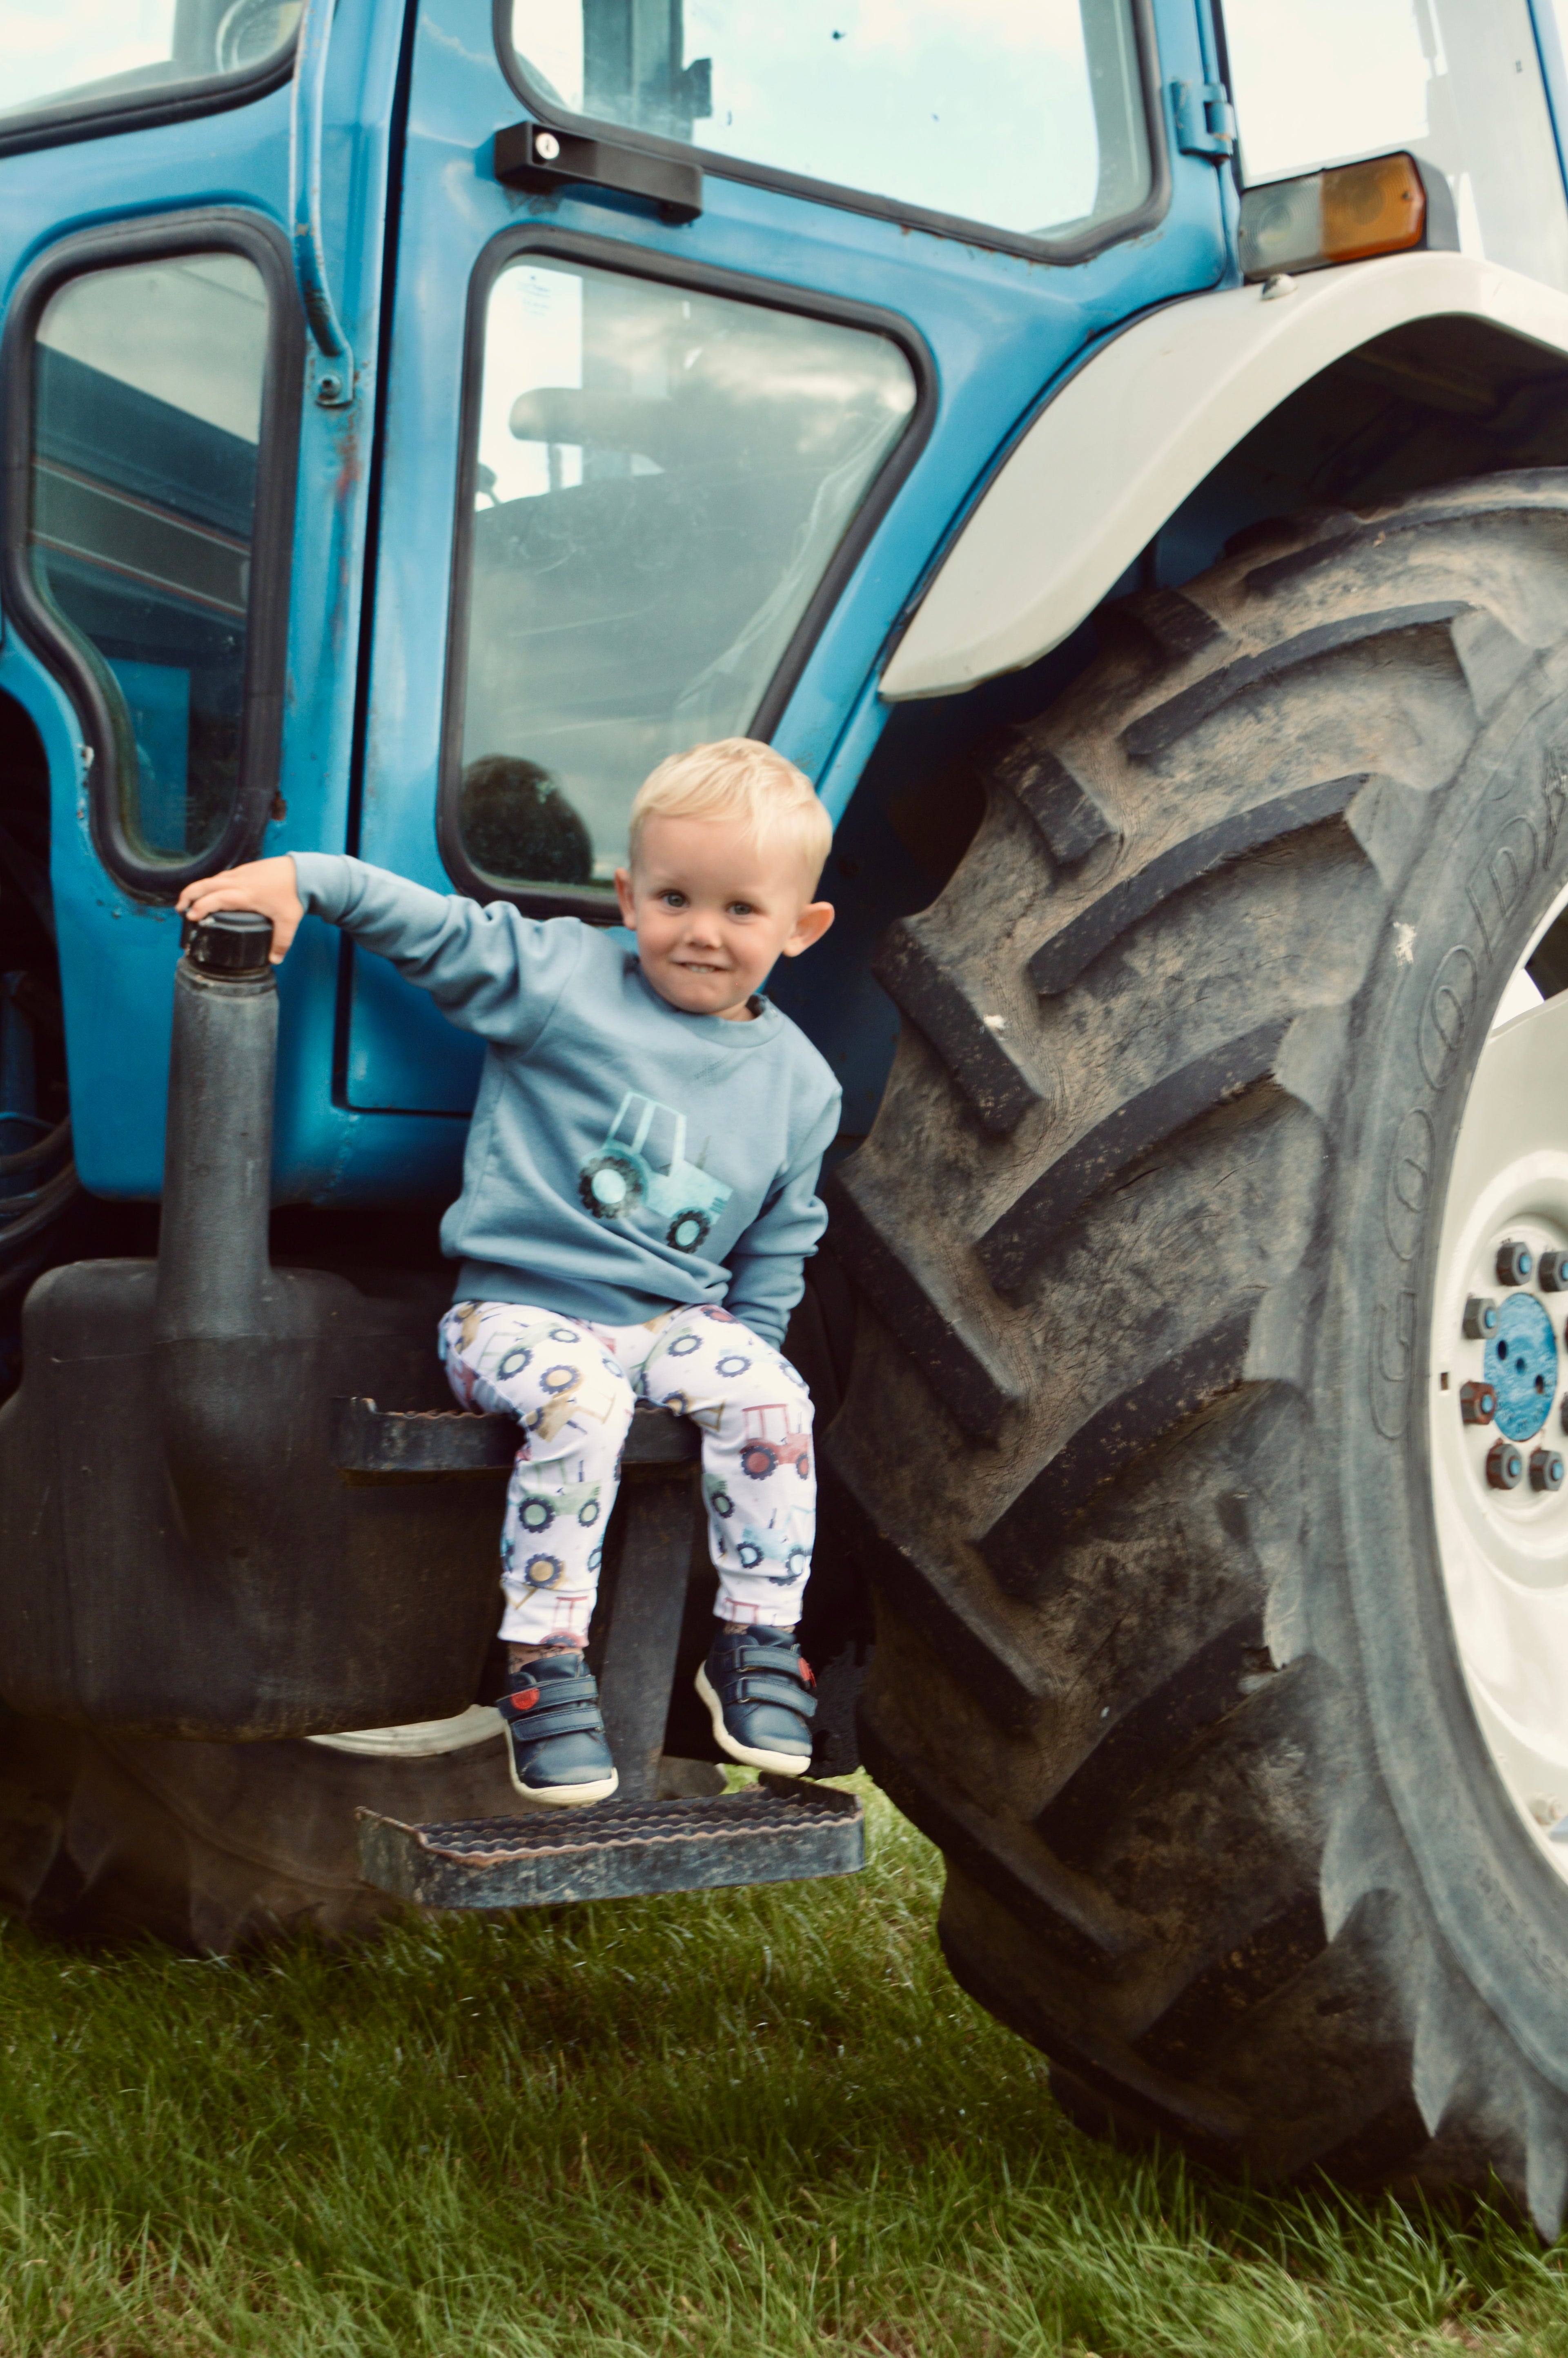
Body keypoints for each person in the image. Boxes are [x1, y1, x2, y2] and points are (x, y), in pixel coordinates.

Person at [176, 738, 840, 1809]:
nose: (702, 933)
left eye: (741, 910)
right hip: (519, 1313)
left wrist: (737, 1359)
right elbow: (428, 928)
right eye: (674, 897)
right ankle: (544, 1669)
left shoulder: (802, 1084)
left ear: (800, 929)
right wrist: (302, 880)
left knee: (773, 1400)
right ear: (629, 897)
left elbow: (780, 1240)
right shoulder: (566, 979)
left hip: (670, 1322)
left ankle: (756, 1643)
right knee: (581, 1406)